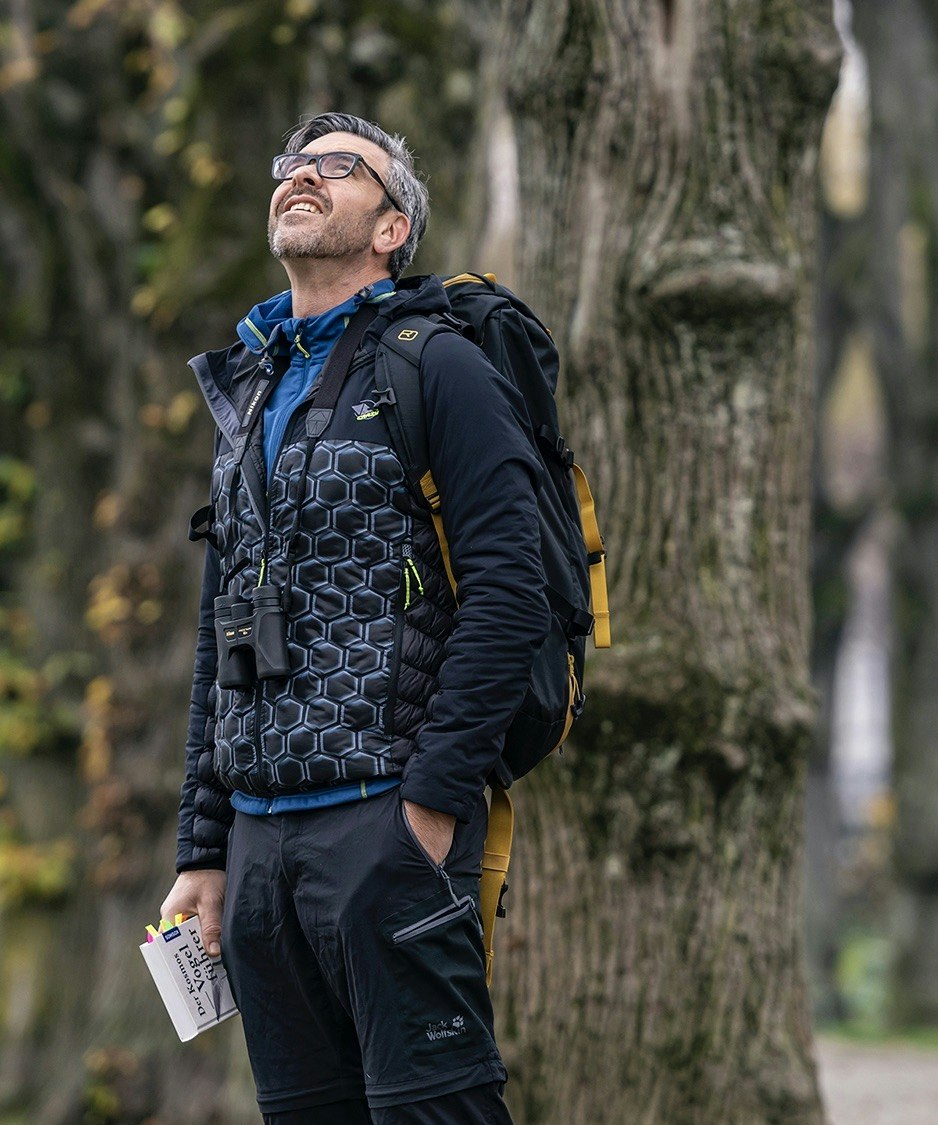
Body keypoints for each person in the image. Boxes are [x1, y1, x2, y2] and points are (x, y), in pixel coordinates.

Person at [159, 111, 549, 1124]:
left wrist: (427, 804)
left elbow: (512, 589)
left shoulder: (438, 365)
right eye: (291, 164)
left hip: (385, 823)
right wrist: (202, 851)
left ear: (390, 228)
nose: (301, 175)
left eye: (338, 168)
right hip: (256, 849)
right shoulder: (250, 386)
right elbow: (223, 631)